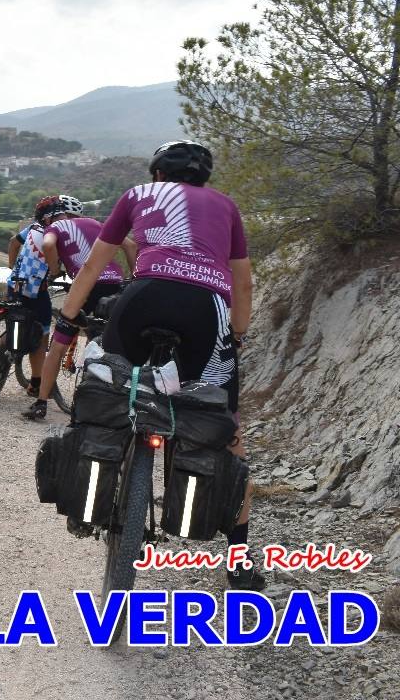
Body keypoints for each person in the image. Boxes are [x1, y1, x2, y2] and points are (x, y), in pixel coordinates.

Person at [57, 140, 261, 589]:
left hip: (142, 299)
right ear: (205, 178)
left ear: (156, 174)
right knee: (229, 430)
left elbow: (94, 264)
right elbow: (242, 282)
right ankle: (241, 558)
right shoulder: (226, 207)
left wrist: (68, 317)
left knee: (103, 385)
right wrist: (237, 336)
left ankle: (86, 497)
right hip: (207, 309)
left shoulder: (135, 195)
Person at [20, 195, 136, 421]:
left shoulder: (55, 227)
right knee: (114, 346)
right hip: (115, 288)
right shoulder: (95, 223)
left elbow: (47, 245)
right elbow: (130, 245)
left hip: (85, 288)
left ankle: (41, 403)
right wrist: (135, 277)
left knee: (57, 348)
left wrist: (54, 270)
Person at [5, 197, 64, 401]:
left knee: (14, 320)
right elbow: (54, 258)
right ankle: (36, 383)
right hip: (36, 290)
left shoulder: (32, 228)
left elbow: (13, 242)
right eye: (61, 214)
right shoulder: (56, 235)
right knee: (41, 335)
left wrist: (12, 267)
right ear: (50, 218)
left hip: (14, 284)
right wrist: (56, 270)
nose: (64, 218)